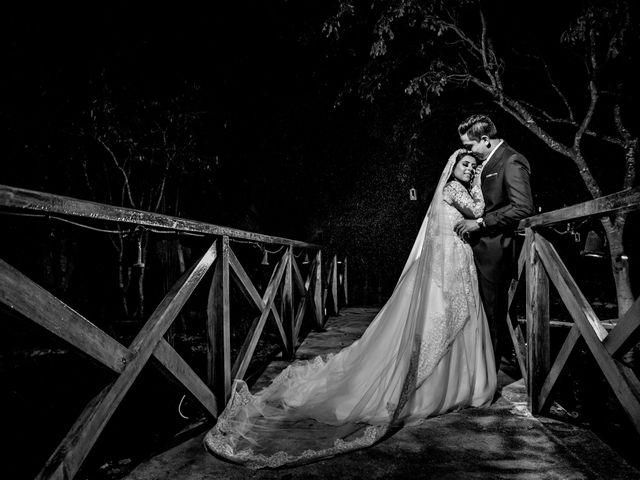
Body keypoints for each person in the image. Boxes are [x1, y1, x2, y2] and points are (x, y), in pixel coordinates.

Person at [205, 149, 496, 469]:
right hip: (448, 270)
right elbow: (479, 209)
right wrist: (481, 181)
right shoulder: (455, 190)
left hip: (453, 267)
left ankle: (455, 386)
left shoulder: (448, 191)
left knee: (439, 326)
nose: (469, 169)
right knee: (436, 326)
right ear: (452, 166)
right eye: (465, 164)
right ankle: (448, 389)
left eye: (473, 166)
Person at [454, 114, 534, 371]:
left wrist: (479, 223)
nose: (467, 151)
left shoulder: (511, 160)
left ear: (485, 139)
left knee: (492, 315)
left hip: (495, 250)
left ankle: (490, 376)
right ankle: (475, 370)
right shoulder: (485, 162)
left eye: (469, 146)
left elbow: (523, 208)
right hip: (477, 249)